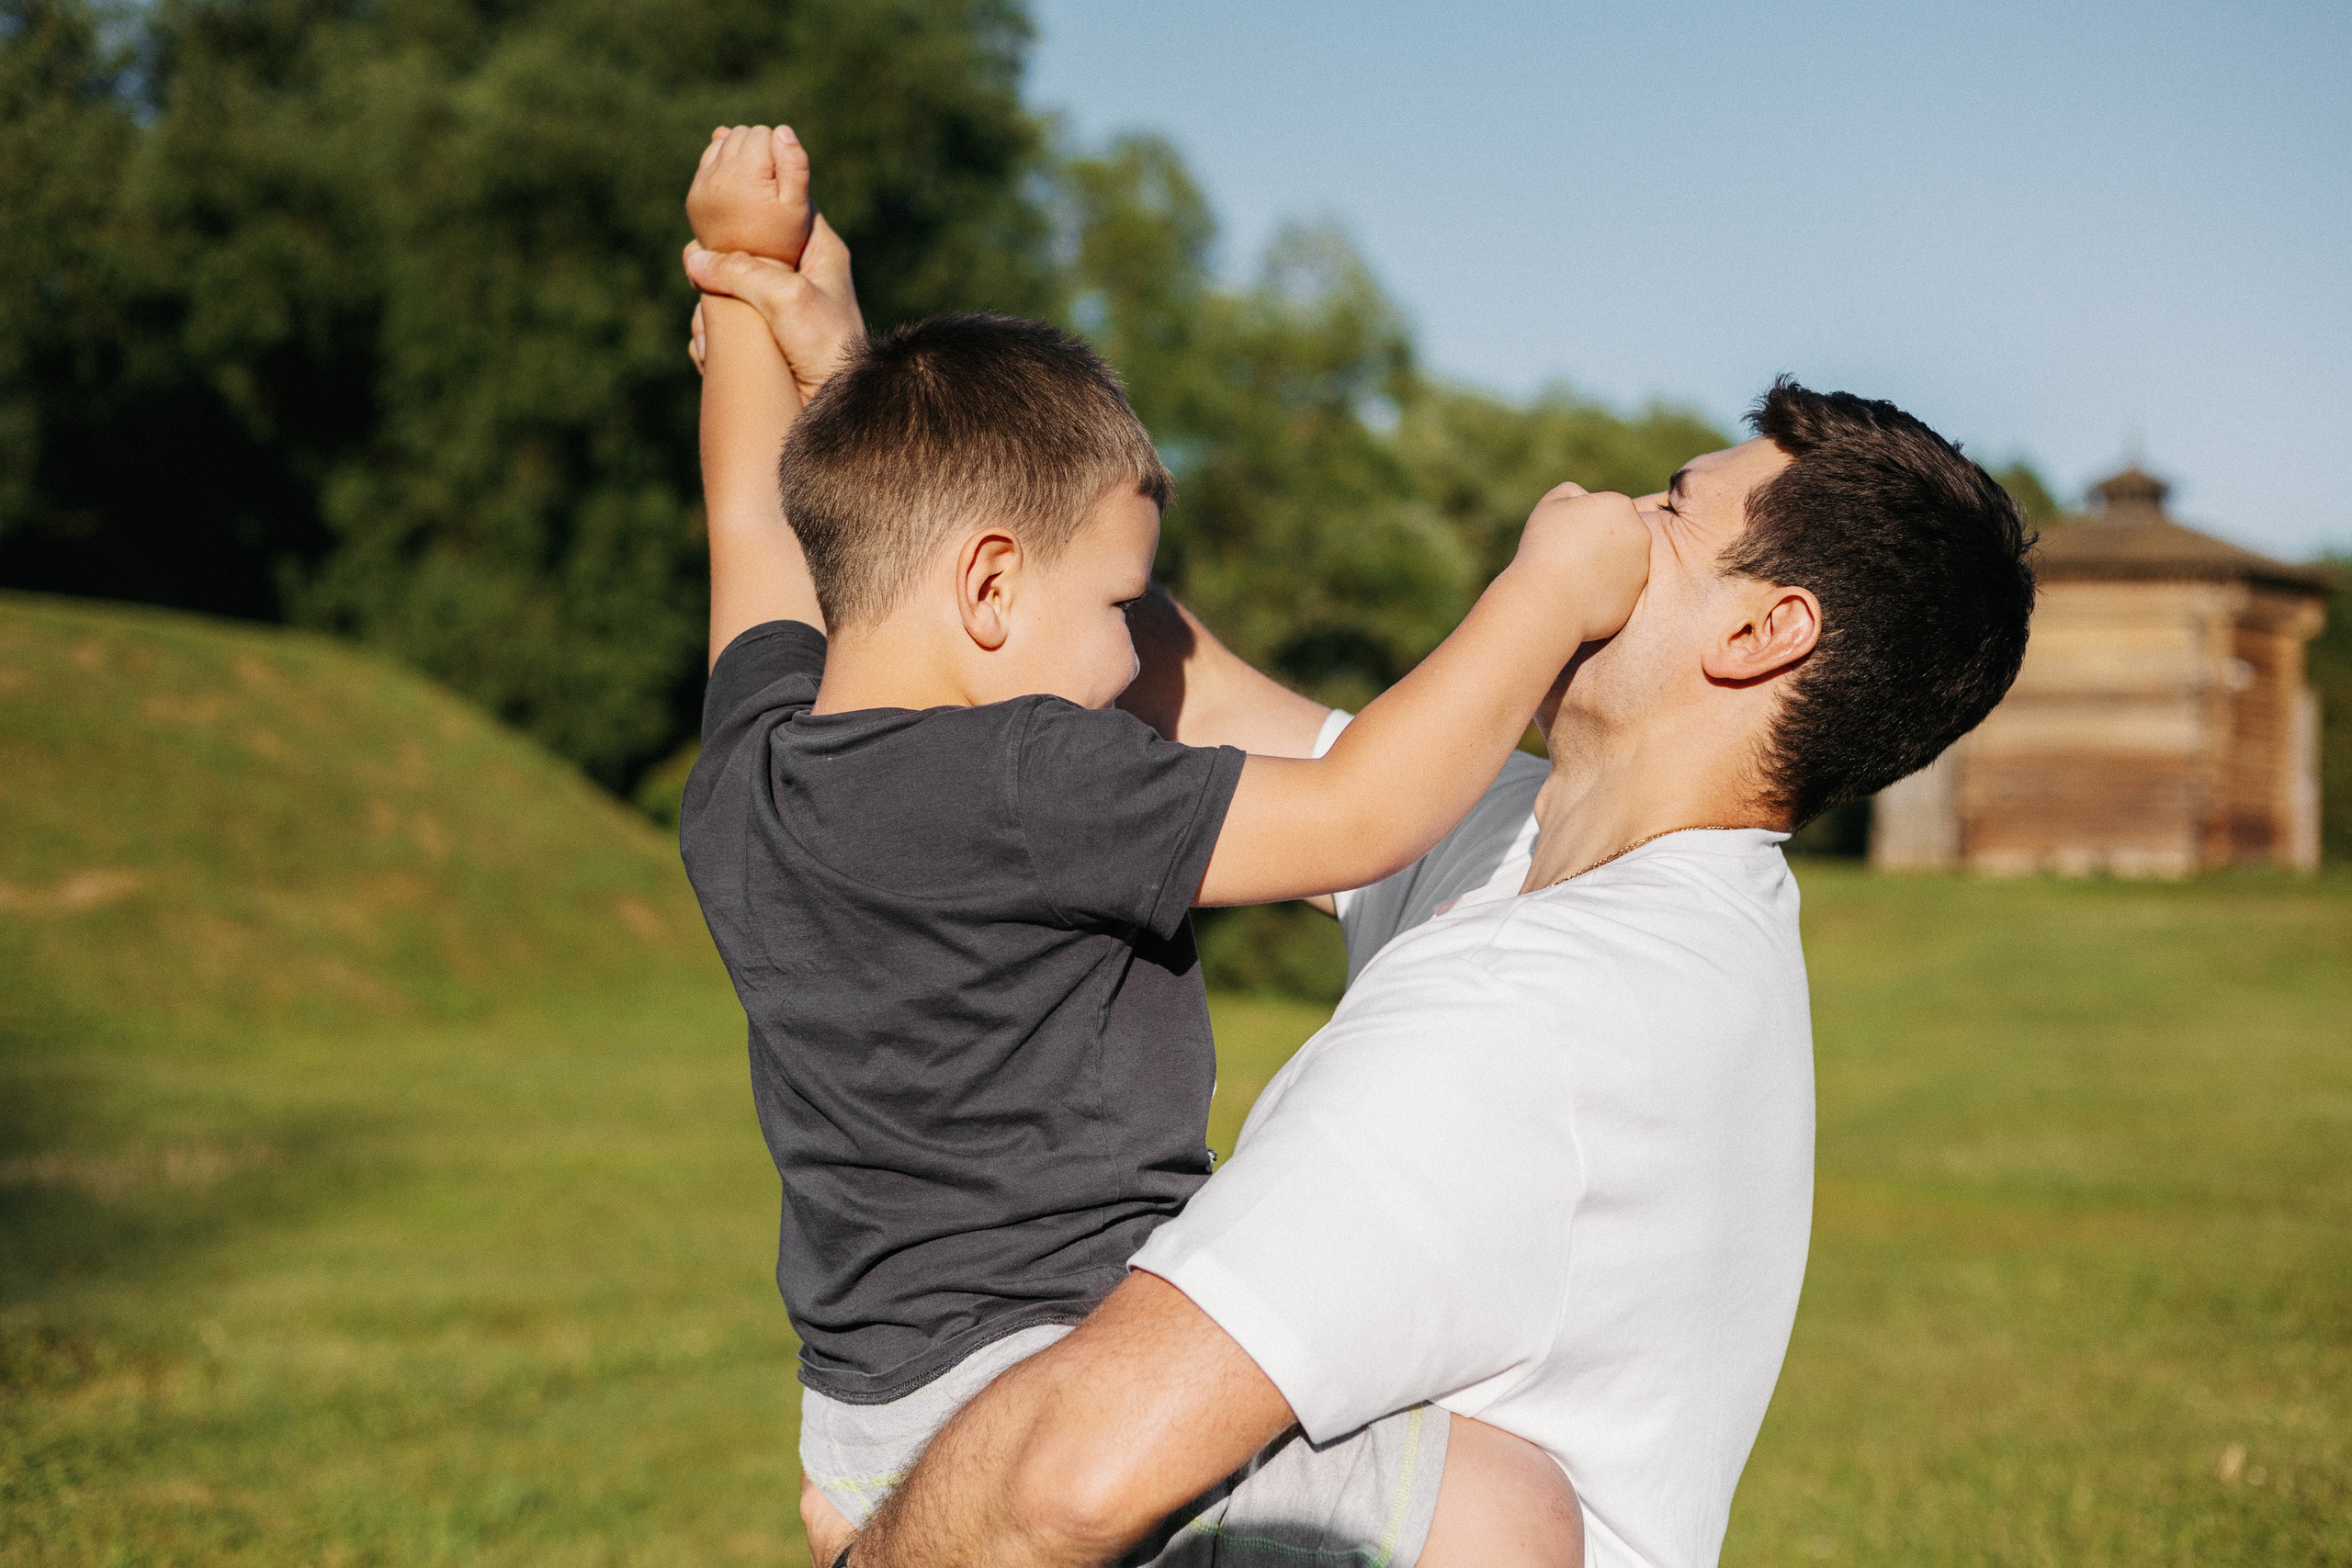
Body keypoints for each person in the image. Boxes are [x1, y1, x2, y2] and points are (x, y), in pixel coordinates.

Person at [688, 166, 2038, 1566]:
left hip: (938, 1423)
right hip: (1024, 1399)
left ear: (1764, 634)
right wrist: (874, 405)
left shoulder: (1540, 1009)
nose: (1594, 504)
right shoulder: (1547, 846)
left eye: (1668, 511)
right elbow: (1185, 688)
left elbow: (1058, 1487)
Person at [675, 125, 1654, 1563]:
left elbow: (753, 513)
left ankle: (869, 1529)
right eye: (1122, 603)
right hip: (1064, 1383)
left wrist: (743, 272)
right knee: (1519, 1508)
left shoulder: (749, 768)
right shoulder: (1029, 773)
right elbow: (1364, 816)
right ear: (993, 585)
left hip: (867, 1405)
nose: (1140, 646)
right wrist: (1547, 592)